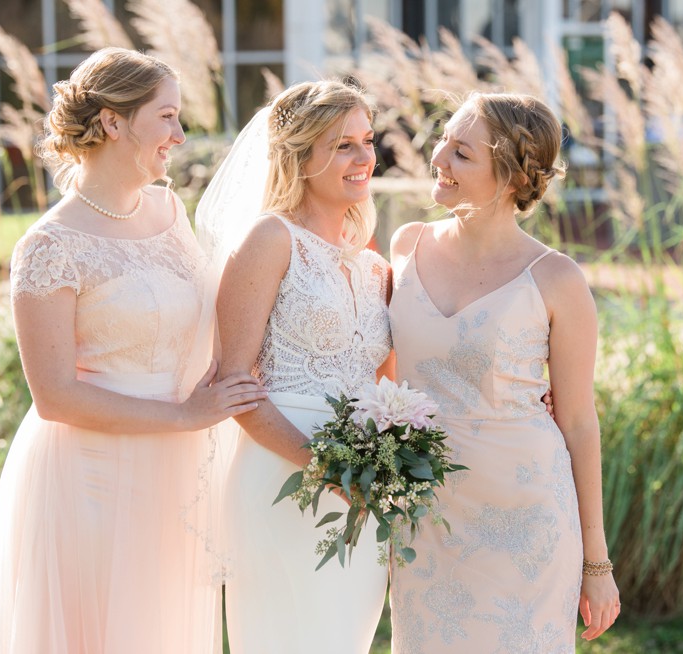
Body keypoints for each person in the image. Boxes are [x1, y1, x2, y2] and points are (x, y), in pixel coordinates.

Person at [0, 47, 266, 654]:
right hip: (93, 472)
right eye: (166, 117)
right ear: (112, 122)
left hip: (177, 466)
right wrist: (184, 415)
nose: (180, 136)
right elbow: (54, 397)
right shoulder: (50, 245)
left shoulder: (169, 208)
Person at [387, 92, 620, 653]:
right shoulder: (405, 245)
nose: (438, 155)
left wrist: (597, 563)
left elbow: (580, 423)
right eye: (443, 138)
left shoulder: (556, 279)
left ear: (513, 177)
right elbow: (385, 376)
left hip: (526, 524)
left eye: (462, 152)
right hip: (426, 516)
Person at [204, 80, 391, 654]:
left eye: (366, 140)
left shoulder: (374, 267)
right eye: (342, 146)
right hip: (280, 480)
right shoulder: (269, 240)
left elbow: (391, 382)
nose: (364, 159)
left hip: (361, 493)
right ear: (300, 156)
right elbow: (232, 383)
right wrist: (326, 468)